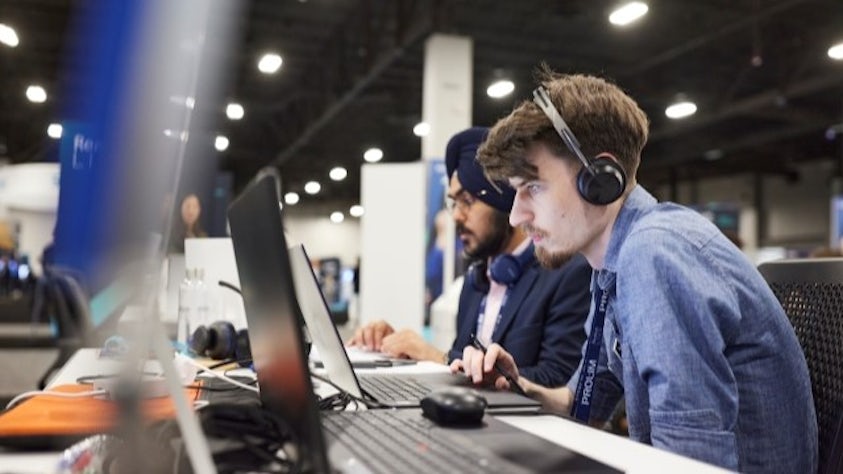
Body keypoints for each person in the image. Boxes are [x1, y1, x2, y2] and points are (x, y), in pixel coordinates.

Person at [453, 69, 817, 472]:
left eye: (532, 187)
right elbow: (586, 404)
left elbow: (691, 461)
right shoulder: (610, 266)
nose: (518, 214)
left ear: (599, 180)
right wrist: (520, 389)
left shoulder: (654, 253)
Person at [348, 127, 592, 387]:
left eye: (468, 200)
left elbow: (559, 383)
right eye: (454, 202)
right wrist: (395, 346)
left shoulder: (567, 273)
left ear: (505, 199)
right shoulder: (475, 281)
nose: (456, 216)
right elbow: (460, 364)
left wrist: (434, 355)